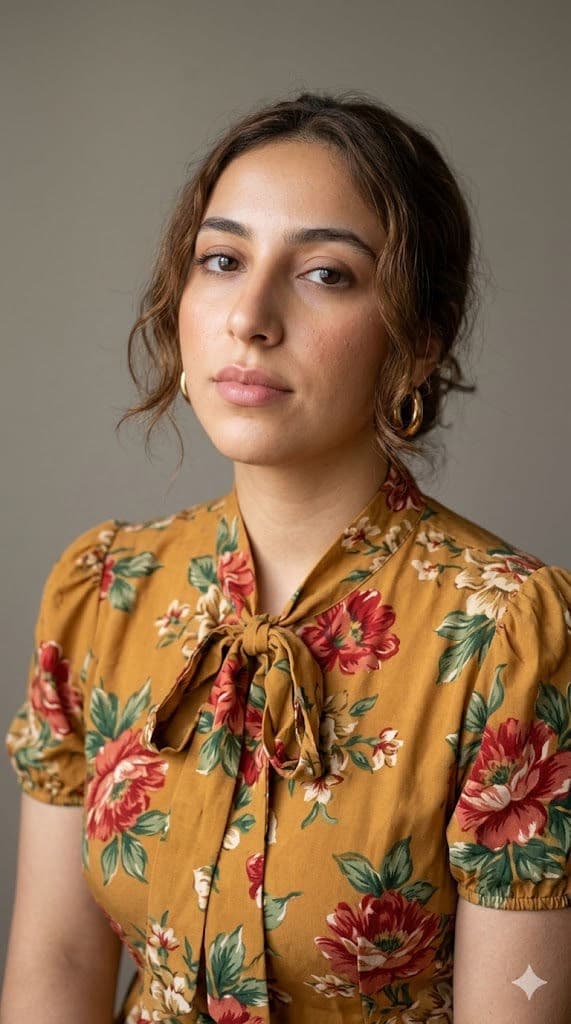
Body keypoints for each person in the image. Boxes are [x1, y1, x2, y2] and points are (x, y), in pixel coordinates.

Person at [2, 91, 570, 1024]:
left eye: (325, 275)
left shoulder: (505, 634)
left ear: (417, 340)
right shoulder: (103, 590)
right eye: (221, 260)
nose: (250, 317)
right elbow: (57, 963)